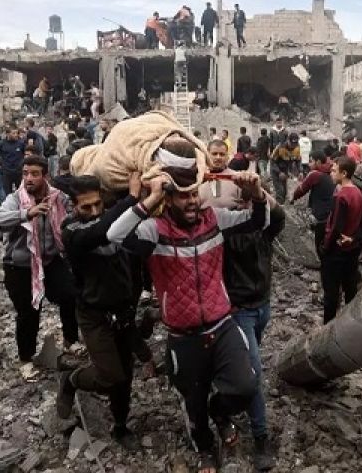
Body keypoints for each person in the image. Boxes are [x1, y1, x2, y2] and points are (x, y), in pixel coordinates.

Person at [107, 162, 267, 472]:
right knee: (193, 401)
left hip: (222, 326)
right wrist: (150, 199)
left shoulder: (214, 219)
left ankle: (220, 412)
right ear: (168, 197)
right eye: (183, 195)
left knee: (246, 386)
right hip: (184, 336)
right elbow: (115, 234)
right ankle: (205, 449)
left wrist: (257, 194)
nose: (192, 200)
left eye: (194, 193)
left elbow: (258, 221)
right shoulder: (155, 231)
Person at [57, 174, 144, 450]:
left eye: (98, 204)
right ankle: (72, 379)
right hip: (94, 315)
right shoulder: (71, 231)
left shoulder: (114, 218)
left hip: (123, 312)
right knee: (109, 376)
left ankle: (120, 425)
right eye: (86, 207)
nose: (94, 211)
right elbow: (100, 232)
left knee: (125, 376)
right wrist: (132, 199)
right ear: (74, 206)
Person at [0, 155, 79, 380]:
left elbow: (73, 214)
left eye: (34, 174)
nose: (29, 178)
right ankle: (26, 359)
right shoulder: (15, 199)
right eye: (25, 174)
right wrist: (26, 214)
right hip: (20, 266)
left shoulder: (58, 198)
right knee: (28, 313)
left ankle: (71, 341)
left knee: (69, 295)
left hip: (50, 260)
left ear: (45, 176)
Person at [218, 187, 284, 472]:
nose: (247, 205)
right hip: (241, 311)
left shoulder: (264, 228)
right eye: (242, 199)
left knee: (245, 368)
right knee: (254, 373)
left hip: (262, 307)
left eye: (251, 200)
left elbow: (279, 216)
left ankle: (224, 404)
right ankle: (260, 437)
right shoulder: (226, 232)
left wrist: (260, 193)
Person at [320, 157, 362, 323]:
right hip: (352, 248)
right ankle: (351, 324)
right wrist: (354, 238)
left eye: (334, 170)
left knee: (331, 293)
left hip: (337, 250)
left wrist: (325, 247)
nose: (331, 173)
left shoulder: (342, 196)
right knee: (350, 287)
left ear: (344, 173)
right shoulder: (358, 193)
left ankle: (328, 326)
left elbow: (335, 227)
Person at [290, 150, 335, 263]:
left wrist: (292, 198)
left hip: (321, 215)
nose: (309, 164)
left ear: (318, 162)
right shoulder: (331, 171)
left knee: (319, 244)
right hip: (332, 213)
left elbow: (301, 190)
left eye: (311, 161)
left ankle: (324, 266)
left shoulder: (315, 174)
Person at [269, 132, 301, 203]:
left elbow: (298, 161)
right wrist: (279, 172)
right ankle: (279, 205)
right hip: (276, 169)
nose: (293, 146)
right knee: (279, 190)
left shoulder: (297, 148)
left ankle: (282, 203)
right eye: (292, 144)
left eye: (295, 144)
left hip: (285, 169)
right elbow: (272, 161)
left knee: (284, 191)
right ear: (288, 140)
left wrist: (300, 171)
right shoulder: (280, 147)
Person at [0, 126, 27, 193]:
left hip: (18, 172)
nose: (16, 135)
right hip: (7, 172)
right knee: (7, 193)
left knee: (21, 192)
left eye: (16, 133)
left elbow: (26, 154)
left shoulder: (21, 144)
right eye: (13, 133)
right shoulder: (1, 144)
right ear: (7, 134)